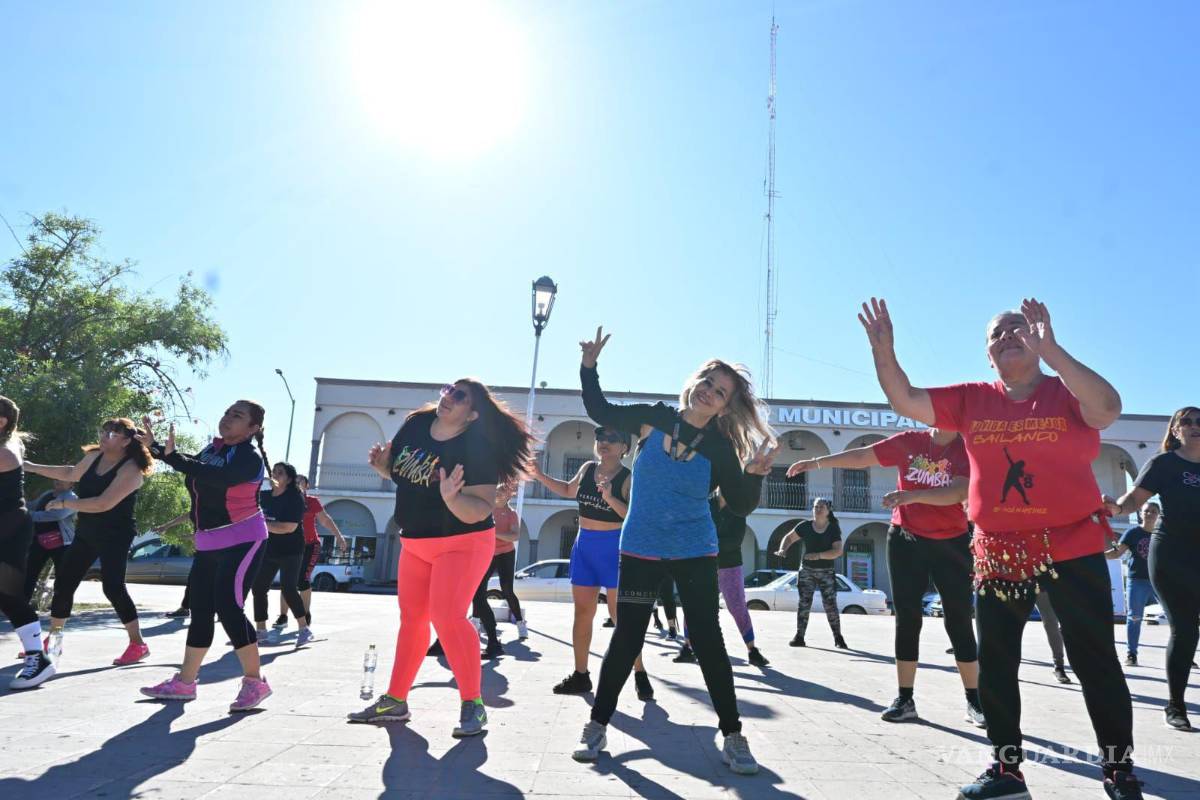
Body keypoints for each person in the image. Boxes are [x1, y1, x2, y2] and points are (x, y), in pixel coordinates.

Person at [860, 297, 1141, 800]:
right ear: (987, 353)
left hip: (1071, 544)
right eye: (997, 333)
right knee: (997, 661)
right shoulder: (972, 399)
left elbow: (1109, 408)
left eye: (1018, 328)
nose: (1008, 335)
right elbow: (904, 398)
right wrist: (884, 351)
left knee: (1095, 658)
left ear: (1036, 338)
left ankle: (1118, 769)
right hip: (998, 549)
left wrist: (1053, 351)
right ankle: (1008, 770)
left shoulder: (1065, 391)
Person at [570, 328, 778, 775]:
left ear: (725, 405)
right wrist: (589, 367)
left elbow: (740, 503)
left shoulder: (722, 447)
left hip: (694, 551)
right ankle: (597, 724)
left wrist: (756, 474)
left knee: (707, 639)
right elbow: (600, 410)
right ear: (696, 379)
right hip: (641, 548)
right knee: (627, 636)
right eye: (709, 382)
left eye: (721, 392)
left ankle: (733, 734)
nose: (710, 393)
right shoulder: (654, 418)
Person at [348, 379, 533, 738]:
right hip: (415, 541)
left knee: (447, 617)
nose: (448, 397)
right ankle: (395, 701)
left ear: (473, 414)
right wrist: (384, 466)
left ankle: (473, 706)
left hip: (462, 542)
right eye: (449, 388)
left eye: (460, 396)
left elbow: (480, 508)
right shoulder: (416, 424)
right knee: (412, 620)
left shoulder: (477, 448)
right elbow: (404, 475)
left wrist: (453, 499)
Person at [787, 427, 983, 726]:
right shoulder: (910, 441)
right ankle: (905, 699)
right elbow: (864, 456)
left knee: (957, 617)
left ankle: (974, 699)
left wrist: (910, 496)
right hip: (906, 538)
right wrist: (815, 463)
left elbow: (957, 492)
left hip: (950, 542)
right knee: (907, 616)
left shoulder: (964, 448)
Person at [136, 402, 274, 712]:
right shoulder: (212, 449)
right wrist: (155, 448)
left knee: (229, 608)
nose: (227, 418)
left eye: (237, 416)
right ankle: (185, 683)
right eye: (226, 412)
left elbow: (215, 477)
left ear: (252, 429)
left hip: (243, 538)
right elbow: (191, 465)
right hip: (209, 541)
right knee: (199, 609)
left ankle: (255, 682)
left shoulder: (248, 459)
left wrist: (171, 457)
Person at [529, 426, 652, 698]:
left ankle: (640, 671)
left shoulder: (629, 478)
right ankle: (580, 675)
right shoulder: (586, 469)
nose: (604, 443)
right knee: (582, 614)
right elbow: (568, 490)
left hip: (615, 548)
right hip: (584, 546)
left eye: (612, 439)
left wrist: (609, 497)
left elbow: (632, 515)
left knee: (620, 617)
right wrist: (539, 475)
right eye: (600, 439)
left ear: (624, 448)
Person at [25, 418, 152, 669]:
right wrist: (29, 466)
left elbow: (103, 503)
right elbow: (70, 473)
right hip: (87, 531)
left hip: (115, 535)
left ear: (127, 441)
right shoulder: (95, 455)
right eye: (104, 431)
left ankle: (138, 644)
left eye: (112, 434)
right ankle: (55, 641)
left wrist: (65, 503)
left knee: (112, 587)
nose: (104, 436)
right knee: (64, 582)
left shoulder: (132, 470)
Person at [1106, 407, 1200, 733]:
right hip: (1171, 555)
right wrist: (1117, 507)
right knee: (1186, 629)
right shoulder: (1164, 464)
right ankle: (1175, 705)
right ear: (1175, 431)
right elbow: (1135, 498)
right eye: (1186, 422)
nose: (1194, 426)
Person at [674, 497, 769, 668]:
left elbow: (735, 540)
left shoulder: (738, 508)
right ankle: (687, 647)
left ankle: (752, 650)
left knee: (737, 606)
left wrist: (709, 542)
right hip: (702, 563)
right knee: (693, 604)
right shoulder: (704, 503)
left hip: (729, 564)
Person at [2, 396, 56, 689]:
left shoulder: (5, 452)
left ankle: (39, 659)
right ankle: (37, 655)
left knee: (8, 595)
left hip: (8, 529)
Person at [251, 462, 311, 647]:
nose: (275, 475)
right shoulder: (264, 497)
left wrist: (261, 525)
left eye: (280, 473)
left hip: (291, 550)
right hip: (269, 548)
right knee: (259, 587)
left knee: (289, 588)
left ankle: (304, 629)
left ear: (289, 479)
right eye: (274, 471)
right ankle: (261, 630)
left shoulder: (295, 498)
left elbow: (288, 527)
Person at [274, 474, 347, 628]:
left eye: (301, 482)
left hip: (310, 545)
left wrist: (338, 536)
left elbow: (325, 519)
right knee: (287, 581)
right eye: (295, 481)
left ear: (306, 486)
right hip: (290, 545)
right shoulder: (285, 501)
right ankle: (283, 616)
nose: (298, 483)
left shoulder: (312, 502)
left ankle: (305, 614)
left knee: (302, 580)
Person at [774, 498, 847, 649]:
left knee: (830, 605)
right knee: (804, 603)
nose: (818, 509)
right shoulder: (805, 526)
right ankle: (799, 637)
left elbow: (838, 551)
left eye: (821, 507)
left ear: (828, 511)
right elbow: (789, 538)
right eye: (815, 507)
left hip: (826, 571)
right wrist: (783, 549)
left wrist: (818, 555)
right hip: (807, 570)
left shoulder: (833, 528)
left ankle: (838, 638)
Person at [466, 482, 524, 659]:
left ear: (509, 497)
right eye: (497, 491)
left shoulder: (511, 514)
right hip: (488, 553)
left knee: (507, 590)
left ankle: (520, 623)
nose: (499, 494)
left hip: (505, 553)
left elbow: (514, 536)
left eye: (503, 493)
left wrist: (494, 533)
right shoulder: (487, 509)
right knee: (479, 589)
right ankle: (476, 621)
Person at [1105, 502, 1159, 667]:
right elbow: (1117, 552)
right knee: (1134, 618)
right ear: (1140, 514)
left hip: (1161, 583)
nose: (1149, 514)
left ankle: (1184, 655)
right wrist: (1094, 557)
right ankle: (1131, 654)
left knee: (1176, 618)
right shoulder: (1133, 533)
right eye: (1146, 511)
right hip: (1137, 581)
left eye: (1153, 511)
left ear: (1159, 515)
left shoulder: (1163, 534)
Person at [23, 480, 78, 603]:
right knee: (29, 573)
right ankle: (21, 606)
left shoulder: (72, 498)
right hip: (39, 541)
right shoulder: (47, 493)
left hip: (62, 544)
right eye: (57, 479)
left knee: (62, 578)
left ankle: (59, 607)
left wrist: (27, 515)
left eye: (63, 480)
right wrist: (20, 506)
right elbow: (33, 505)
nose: (58, 482)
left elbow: (55, 515)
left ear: (71, 485)